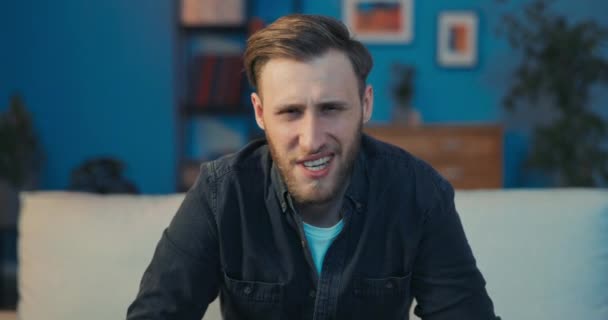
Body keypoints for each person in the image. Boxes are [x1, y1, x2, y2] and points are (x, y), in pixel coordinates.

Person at [127, 14, 498, 320]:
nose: (311, 139)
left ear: (365, 104)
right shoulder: (221, 193)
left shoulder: (419, 193)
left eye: (331, 109)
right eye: (290, 112)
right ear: (260, 112)